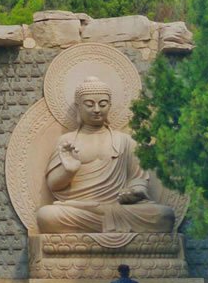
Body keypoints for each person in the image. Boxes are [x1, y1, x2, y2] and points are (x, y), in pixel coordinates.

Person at [36, 76, 175, 233]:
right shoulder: (67, 141)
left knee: (165, 216)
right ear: (78, 107)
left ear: (110, 105)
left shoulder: (126, 141)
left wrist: (136, 192)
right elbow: (54, 184)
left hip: (120, 209)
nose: (97, 110)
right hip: (82, 209)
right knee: (46, 216)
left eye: (102, 104)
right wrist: (68, 171)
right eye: (89, 104)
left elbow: (138, 180)